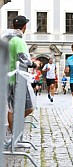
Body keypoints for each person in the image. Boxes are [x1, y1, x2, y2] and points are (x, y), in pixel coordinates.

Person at [3, 15, 39, 143]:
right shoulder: (18, 41)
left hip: (7, 79)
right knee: (28, 108)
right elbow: (24, 59)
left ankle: (12, 135)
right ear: (24, 27)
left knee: (12, 108)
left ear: (13, 26)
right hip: (17, 79)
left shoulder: (6, 39)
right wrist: (35, 64)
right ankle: (12, 133)